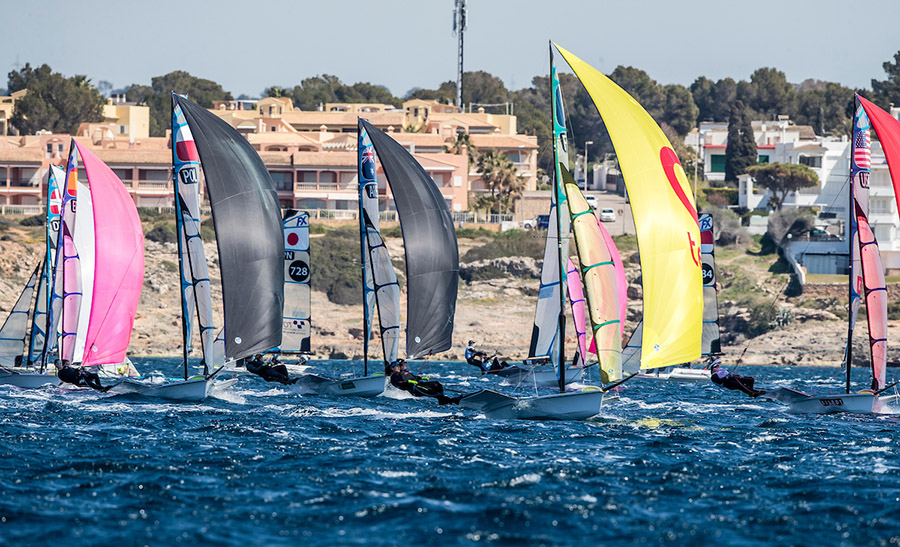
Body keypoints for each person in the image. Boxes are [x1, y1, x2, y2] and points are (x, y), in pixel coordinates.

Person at [388, 359, 460, 405]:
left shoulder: (405, 372)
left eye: (398, 366)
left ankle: (442, 400)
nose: (398, 367)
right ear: (392, 368)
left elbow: (415, 377)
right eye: (396, 366)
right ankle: (451, 401)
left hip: (419, 384)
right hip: (415, 389)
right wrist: (407, 382)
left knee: (437, 384)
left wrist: (422, 378)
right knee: (432, 392)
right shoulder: (394, 376)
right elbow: (397, 384)